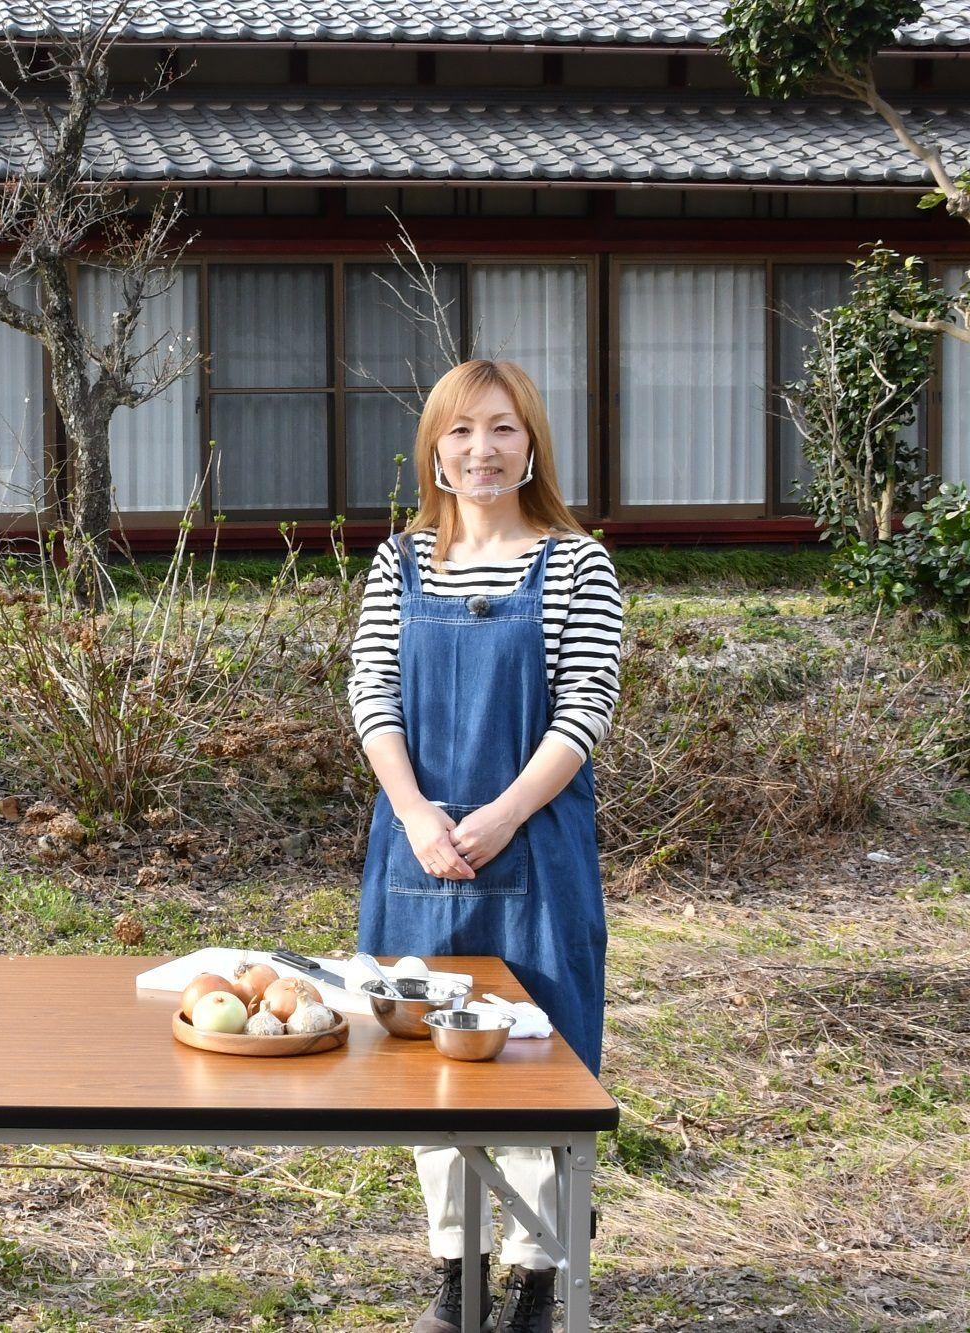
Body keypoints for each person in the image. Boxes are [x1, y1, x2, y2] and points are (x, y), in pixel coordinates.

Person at [346, 360, 624, 1333]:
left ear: (530, 443)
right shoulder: (397, 562)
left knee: (536, 1059)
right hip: (414, 849)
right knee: (431, 1066)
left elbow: (585, 705)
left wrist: (500, 813)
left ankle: (536, 1278)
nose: (480, 451)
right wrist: (417, 814)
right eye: (459, 432)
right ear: (432, 449)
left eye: (500, 429)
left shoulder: (577, 564)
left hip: (533, 848)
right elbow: (371, 695)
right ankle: (453, 1271)